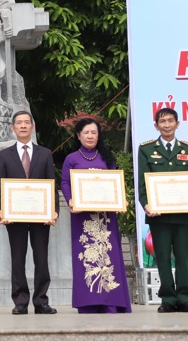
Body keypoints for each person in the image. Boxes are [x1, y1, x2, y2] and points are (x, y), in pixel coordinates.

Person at [138, 107, 188, 313]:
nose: (166, 125)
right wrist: (146, 205)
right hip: (158, 215)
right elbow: (143, 183)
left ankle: (185, 297)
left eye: (170, 121)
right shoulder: (146, 150)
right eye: (162, 121)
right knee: (162, 256)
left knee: (182, 257)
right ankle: (167, 298)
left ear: (177, 124)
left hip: (183, 215)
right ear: (156, 126)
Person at [60, 117, 131, 313]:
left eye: (94, 133)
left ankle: (111, 302)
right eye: (86, 133)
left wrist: (120, 199)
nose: (90, 136)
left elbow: (115, 183)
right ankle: (88, 303)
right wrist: (70, 200)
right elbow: (65, 182)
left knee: (109, 256)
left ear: (98, 136)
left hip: (105, 217)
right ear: (78, 135)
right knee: (87, 258)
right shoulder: (71, 158)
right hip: (82, 218)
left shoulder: (107, 158)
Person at [0, 110, 59, 315]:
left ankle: (41, 301)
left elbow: (52, 184)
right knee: (17, 258)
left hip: (41, 217)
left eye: (26, 122)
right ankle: (20, 301)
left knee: (41, 258)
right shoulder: (4, 155)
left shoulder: (45, 153)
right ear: (12, 128)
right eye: (18, 123)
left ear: (32, 127)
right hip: (15, 217)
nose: (23, 126)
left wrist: (54, 210)